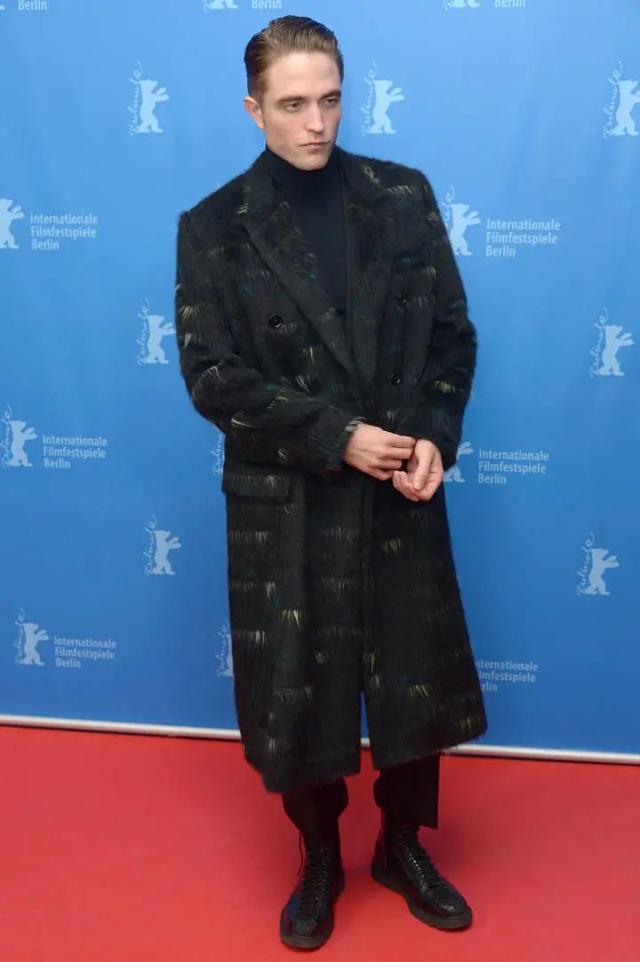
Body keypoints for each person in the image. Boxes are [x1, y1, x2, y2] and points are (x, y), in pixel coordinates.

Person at [175, 14, 488, 950]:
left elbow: (451, 338)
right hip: (289, 499)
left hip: (398, 489)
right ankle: (318, 855)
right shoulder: (213, 227)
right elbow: (212, 377)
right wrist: (336, 436)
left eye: (331, 100)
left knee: (412, 679)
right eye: (292, 105)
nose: (316, 123)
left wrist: (432, 437)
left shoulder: (403, 196)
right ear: (253, 109)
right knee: (298, 686)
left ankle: (402, 845)